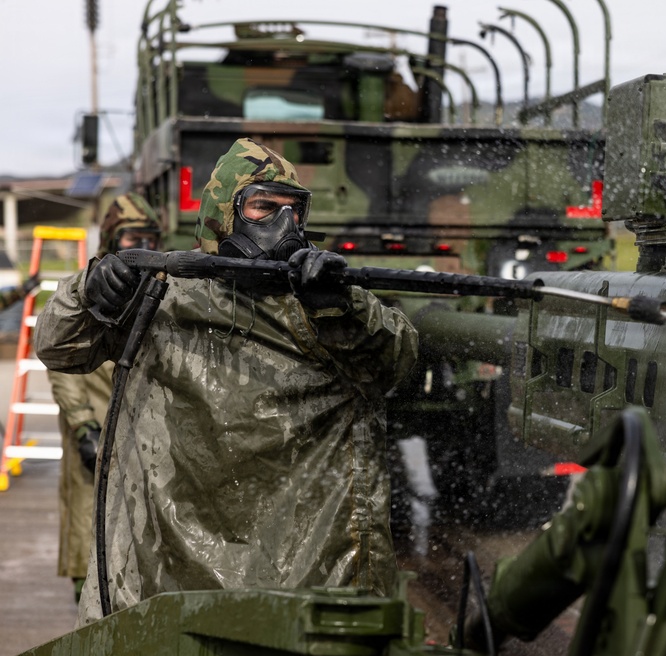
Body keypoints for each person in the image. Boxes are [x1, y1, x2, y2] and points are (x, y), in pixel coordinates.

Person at [34, 138, 418, 624]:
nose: (281, 225)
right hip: (167, 572)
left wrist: (342, 305)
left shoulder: (323, 304)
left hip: (303, 576)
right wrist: (91, 290)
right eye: (261, 206)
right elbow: (57, 345)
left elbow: (394, 359)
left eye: (292, 211)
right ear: (223, 213)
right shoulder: (163, 296)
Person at [47, 192, 161, 603]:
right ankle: (83, 593)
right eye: (132, 237)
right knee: (85, 514)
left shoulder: (162, 287)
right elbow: (61, 365)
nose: (142, 247)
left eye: (150, 237)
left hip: (138, 427)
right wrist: (83, 426)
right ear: (113, 239)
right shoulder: (89, 288)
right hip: (93, 421)